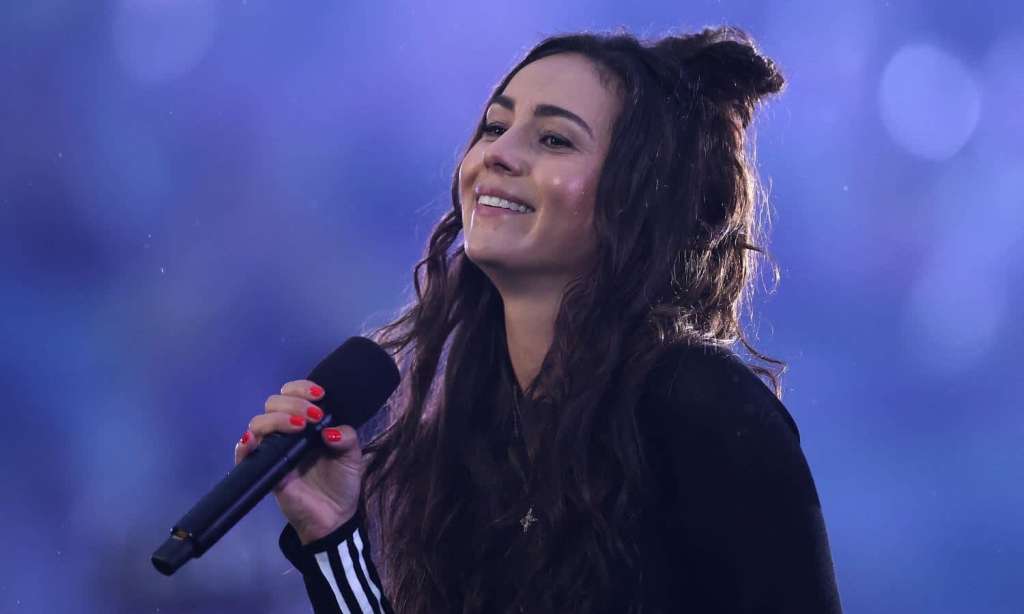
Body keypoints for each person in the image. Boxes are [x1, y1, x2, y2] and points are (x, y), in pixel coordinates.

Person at [236, 25, 843, 614]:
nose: (497, 154)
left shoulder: (701, 407)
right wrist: (332, 536)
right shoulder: (475, 433)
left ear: (636, 197)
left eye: (554, 139)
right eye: (494, 127)